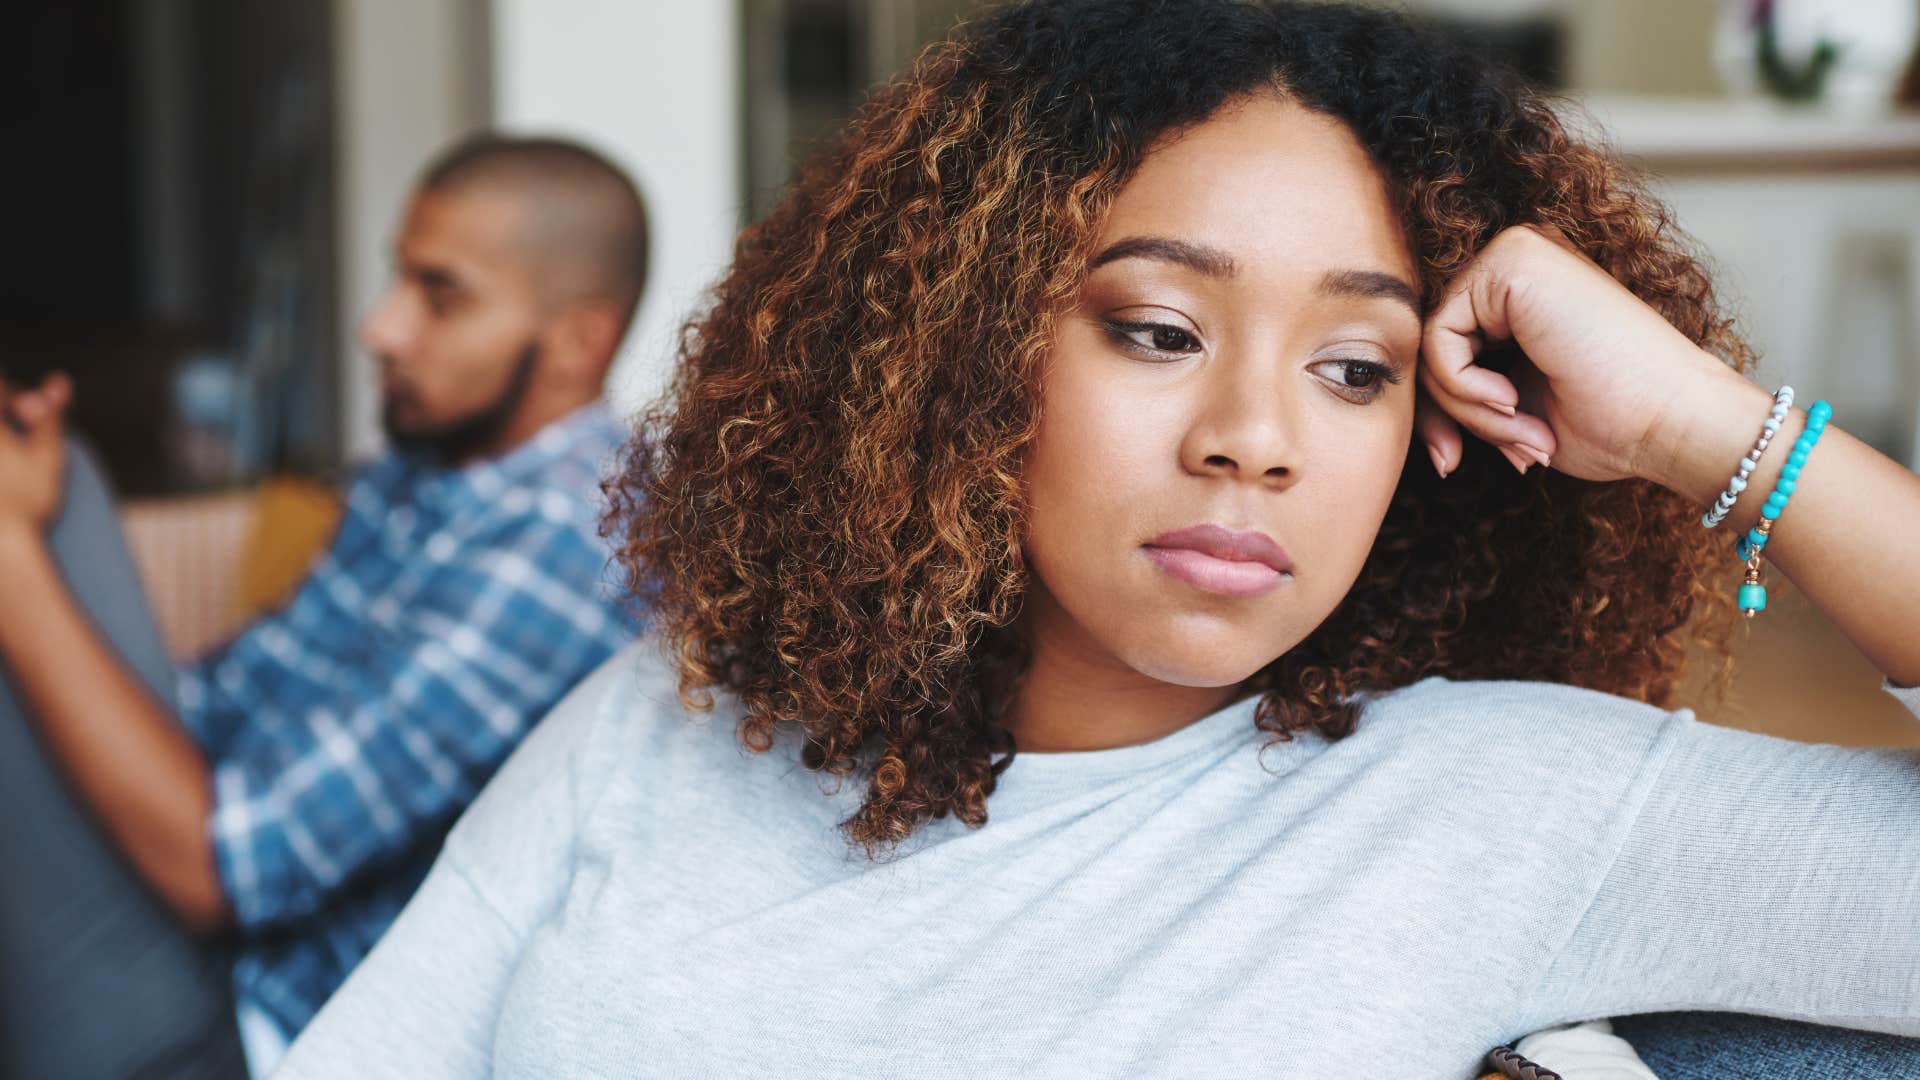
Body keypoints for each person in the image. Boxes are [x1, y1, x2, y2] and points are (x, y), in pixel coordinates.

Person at [273, 3, 1920, 1077]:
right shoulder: (669, 716)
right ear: (970, 357)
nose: (1255, 436)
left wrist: (1724, 436)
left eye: (1359, 368)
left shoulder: (1508, 809)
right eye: (1155, 329)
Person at [0, 133, 650, 1079]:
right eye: (399, 281)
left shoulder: (562, 545)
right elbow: (217, 703)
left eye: (441, 294)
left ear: (579, 340)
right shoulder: (430, 472)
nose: (380, 327)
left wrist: (12, 556)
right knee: (54, 475)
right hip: (198, 933)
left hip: (251, 1020)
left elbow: (223, 873)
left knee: (51, 511)